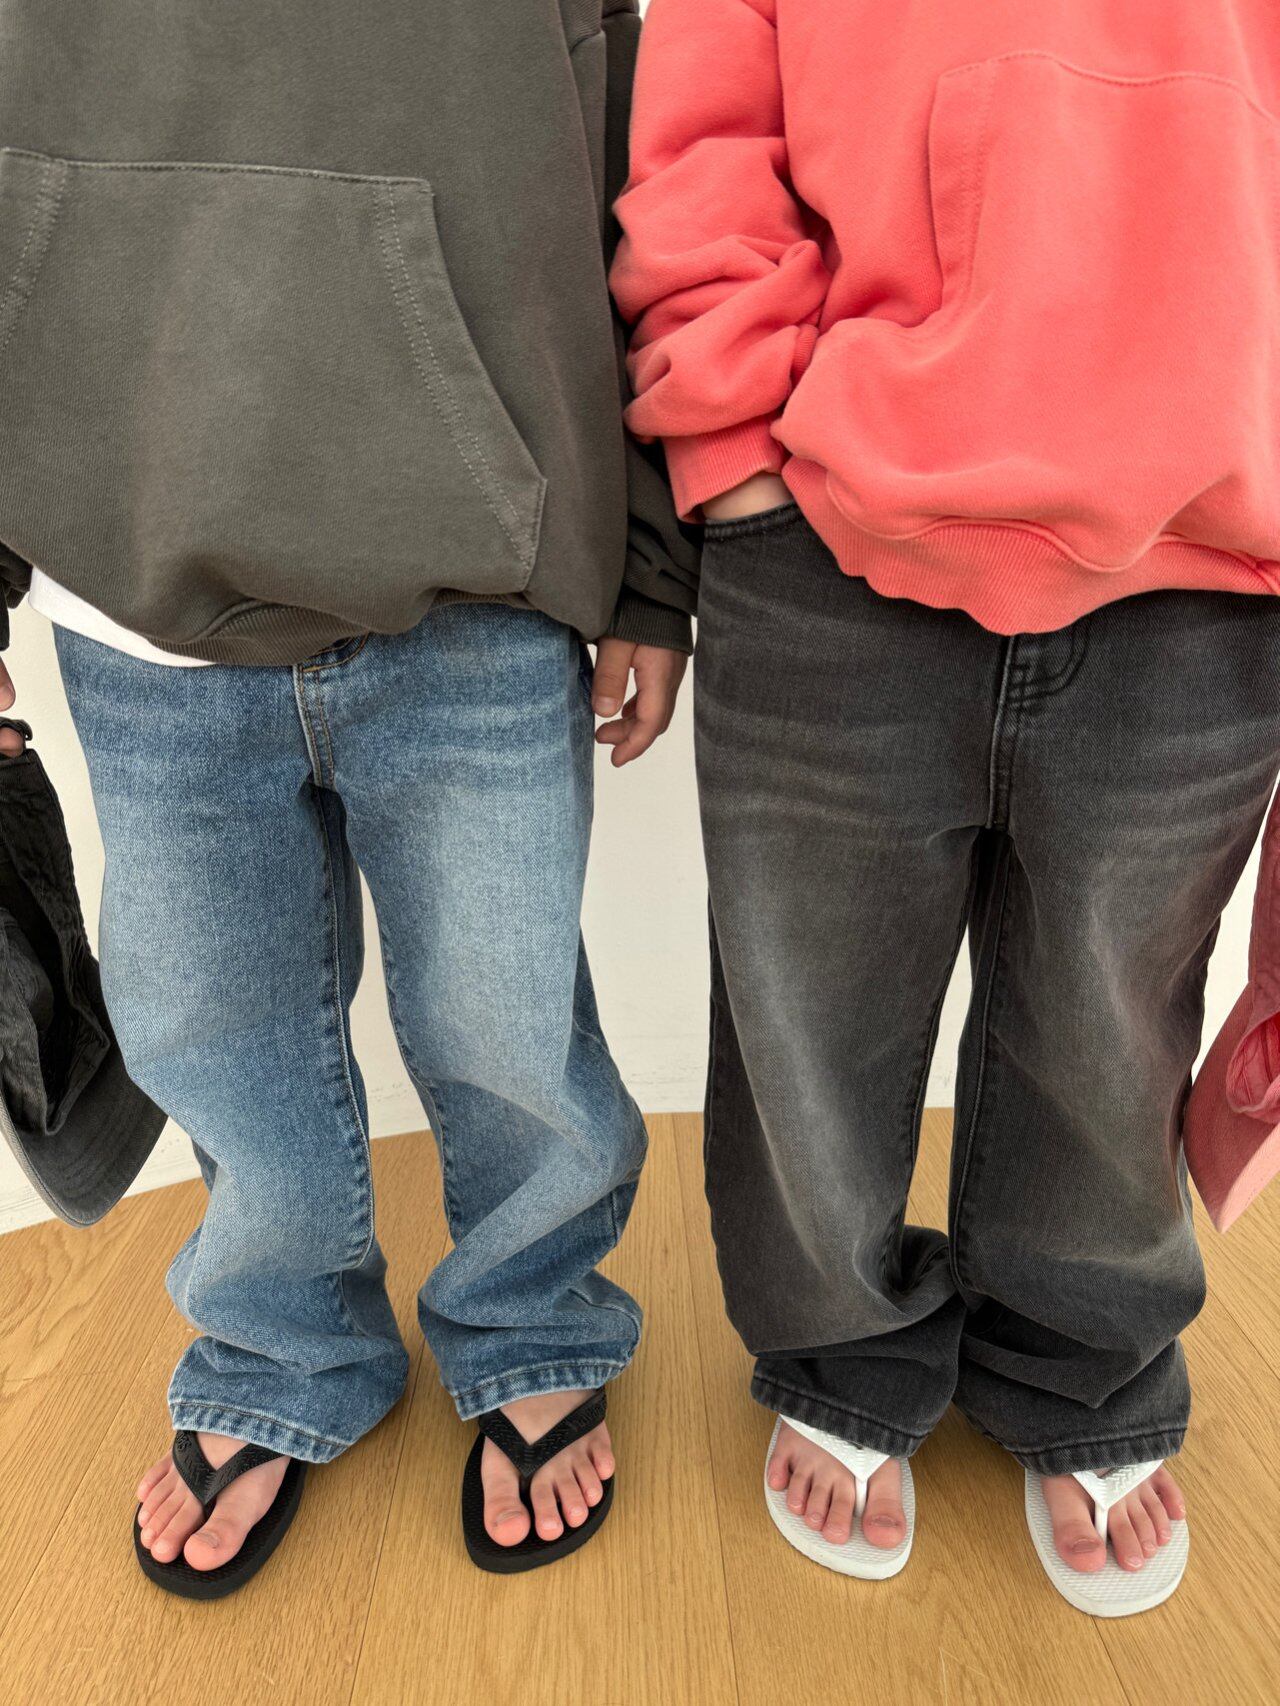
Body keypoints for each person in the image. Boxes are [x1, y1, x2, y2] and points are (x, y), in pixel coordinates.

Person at [0, 0, 695, 1595]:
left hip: (479, 571)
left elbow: (637, 174)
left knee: (507, 1016)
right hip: (135, 569)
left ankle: (530, 1314)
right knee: (206, 1021)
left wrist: (653, 571)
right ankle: (278, 1338)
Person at [612, 0, 1280, 1614]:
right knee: (809, 1016)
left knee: (1113, 1025)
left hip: (1210, 533)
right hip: (826, 515)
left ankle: (1083, 1359)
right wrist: (735, 449)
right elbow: (708, 112)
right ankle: (839, 1345)